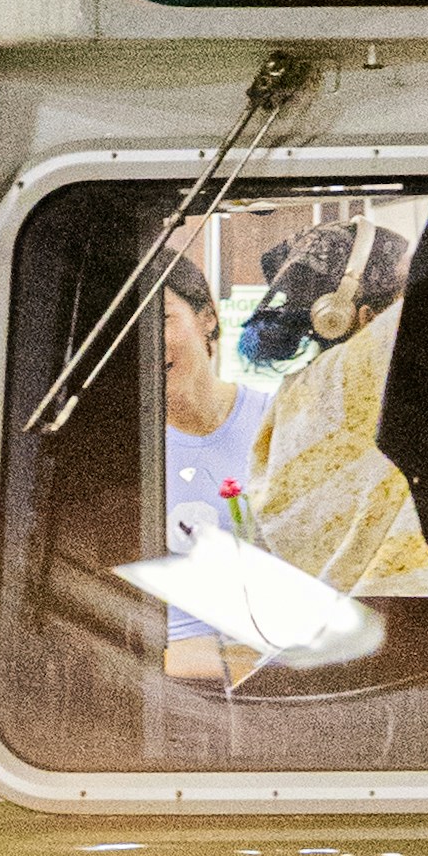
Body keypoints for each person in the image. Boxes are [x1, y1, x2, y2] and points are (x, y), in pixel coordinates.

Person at [156, 253, 279, 670]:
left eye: (163, 318)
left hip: (289, 684)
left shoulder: (280, 423)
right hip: (176, 698)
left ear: (207, 317)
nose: (146, 341)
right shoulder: (123, 454)